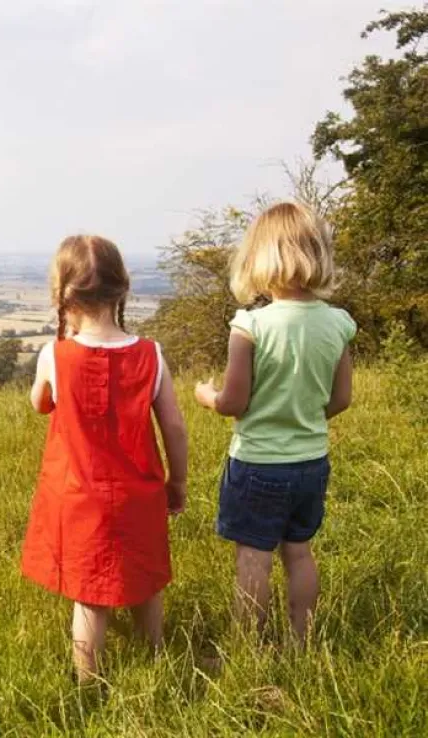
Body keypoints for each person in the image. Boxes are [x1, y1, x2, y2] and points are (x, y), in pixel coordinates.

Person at [21, 234, 189, 682]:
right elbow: (173, 426)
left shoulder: (54, 355)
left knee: (90, 595)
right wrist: (178, 481)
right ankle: (155, 654)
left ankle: (87, 679)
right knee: (148, 578)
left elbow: (40, 404)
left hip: (80, 499)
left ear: (62, 295)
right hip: (141, 493)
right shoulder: (150, 354)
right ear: (123, 288)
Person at [194, 201, 355, 643]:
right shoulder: (339, 324)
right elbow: (341, 398)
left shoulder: (250, 325)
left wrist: (206, 396)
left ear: (259, 257)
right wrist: (303, 417)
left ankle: (248, 648)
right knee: (299, 553)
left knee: (254, 559)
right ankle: (300, 642)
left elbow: (234, 402)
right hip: (312, 463)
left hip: (259, 465)